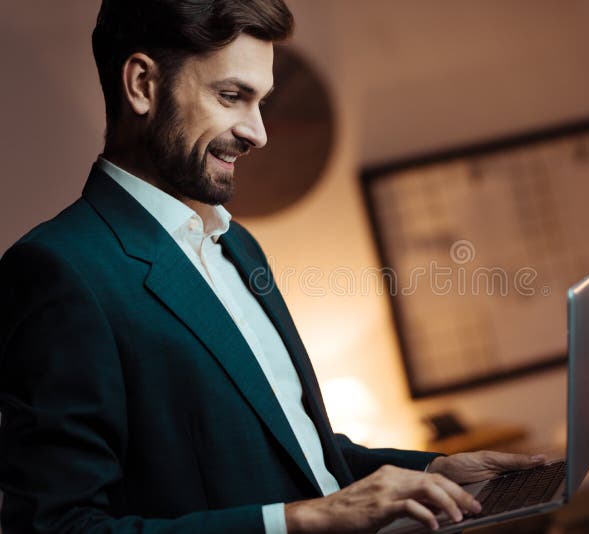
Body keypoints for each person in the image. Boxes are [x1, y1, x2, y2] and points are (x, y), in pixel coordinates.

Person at [0, 1, 544, 532]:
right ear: (142, 84)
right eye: (232, 96)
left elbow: (295, 450)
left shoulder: (239, 244)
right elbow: (57, 523)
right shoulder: (59, 272)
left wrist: (431, 469)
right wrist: (300, 521)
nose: (257, 132)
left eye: (260, 102)